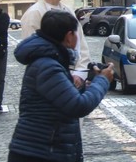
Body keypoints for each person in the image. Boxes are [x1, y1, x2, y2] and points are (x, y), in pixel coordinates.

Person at [8, 10, 113, 162]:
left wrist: (86, 85)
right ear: (69, 36)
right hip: (41, 153)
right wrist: (102, 80)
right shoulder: (47, 66)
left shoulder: (50, 61)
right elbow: (78, 106)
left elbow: (60, 99)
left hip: (44, 150)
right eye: (77, 33)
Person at [21, 0, 91, 84]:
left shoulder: (68, 11)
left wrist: (79, 74)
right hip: (48, 78)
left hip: (75, 78)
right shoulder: (34, 14)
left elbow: (81, 45)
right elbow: (32, 52)